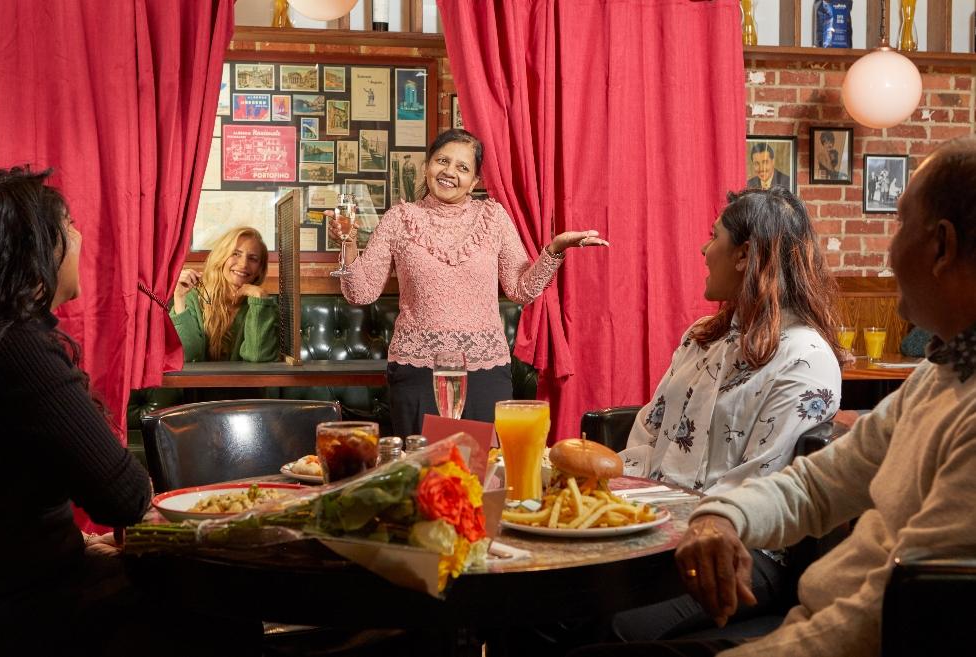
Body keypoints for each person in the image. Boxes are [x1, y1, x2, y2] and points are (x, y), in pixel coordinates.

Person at [574, 135, 976, 657]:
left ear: (941, 246)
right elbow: (815, 484)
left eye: (898, 224)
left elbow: (896, 619)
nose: (887, 249)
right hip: (809, 620)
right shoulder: (936, 377)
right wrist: (721, 516)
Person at [0, 167, 259, 655]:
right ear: (39, 250)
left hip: (23, 577)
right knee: (222, 601)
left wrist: (71, 542)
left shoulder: (4, 337)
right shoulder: (21, 349)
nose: (80, 237)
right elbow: (125, 496)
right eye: (69, 227)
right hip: (30, 602)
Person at [611, 186, 843, 642]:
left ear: (743, 256)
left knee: (615, 623)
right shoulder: (701, 337)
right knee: (538, 610)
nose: (703, 248)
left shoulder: (805, 358)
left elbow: (761, 488)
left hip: (740, 548)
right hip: (654, 529)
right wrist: (609, 502)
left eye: (712, 235)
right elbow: (646, 436)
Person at [329, 128, 607, 436]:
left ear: (474, 181)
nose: (449, 172)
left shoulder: (494, 217)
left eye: (462, 167)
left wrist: (554, 250)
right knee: (425, 474)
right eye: (442, 161)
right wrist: (349, 243)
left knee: (483, 473)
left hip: (483, 371)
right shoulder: (399, 218)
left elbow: (520, 289)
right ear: (427, 166)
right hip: (417, 369)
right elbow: (362, 293)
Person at [171, 226, 278, 362]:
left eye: (253, 258)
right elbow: (187, 354)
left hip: (246, 383)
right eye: (236, 254)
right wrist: (179, 298)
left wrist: (259, 299)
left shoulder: (264, 307)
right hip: (199, 383)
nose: (243, 264)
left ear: (260, 270)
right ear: (221, 258)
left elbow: (257, 357)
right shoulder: (194, 298)